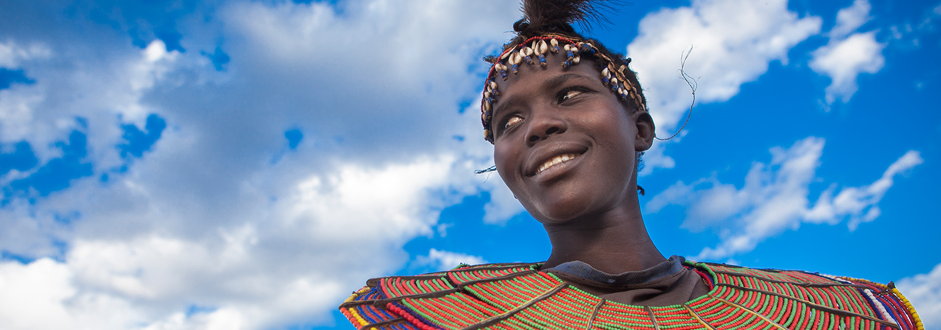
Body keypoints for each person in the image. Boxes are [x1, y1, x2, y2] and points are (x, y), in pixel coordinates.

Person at [339, 0, 923, 329]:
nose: (537, 125)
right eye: (508, 124)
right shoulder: (447, 320)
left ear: (640, 127)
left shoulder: (816, 314)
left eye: (569, 95)